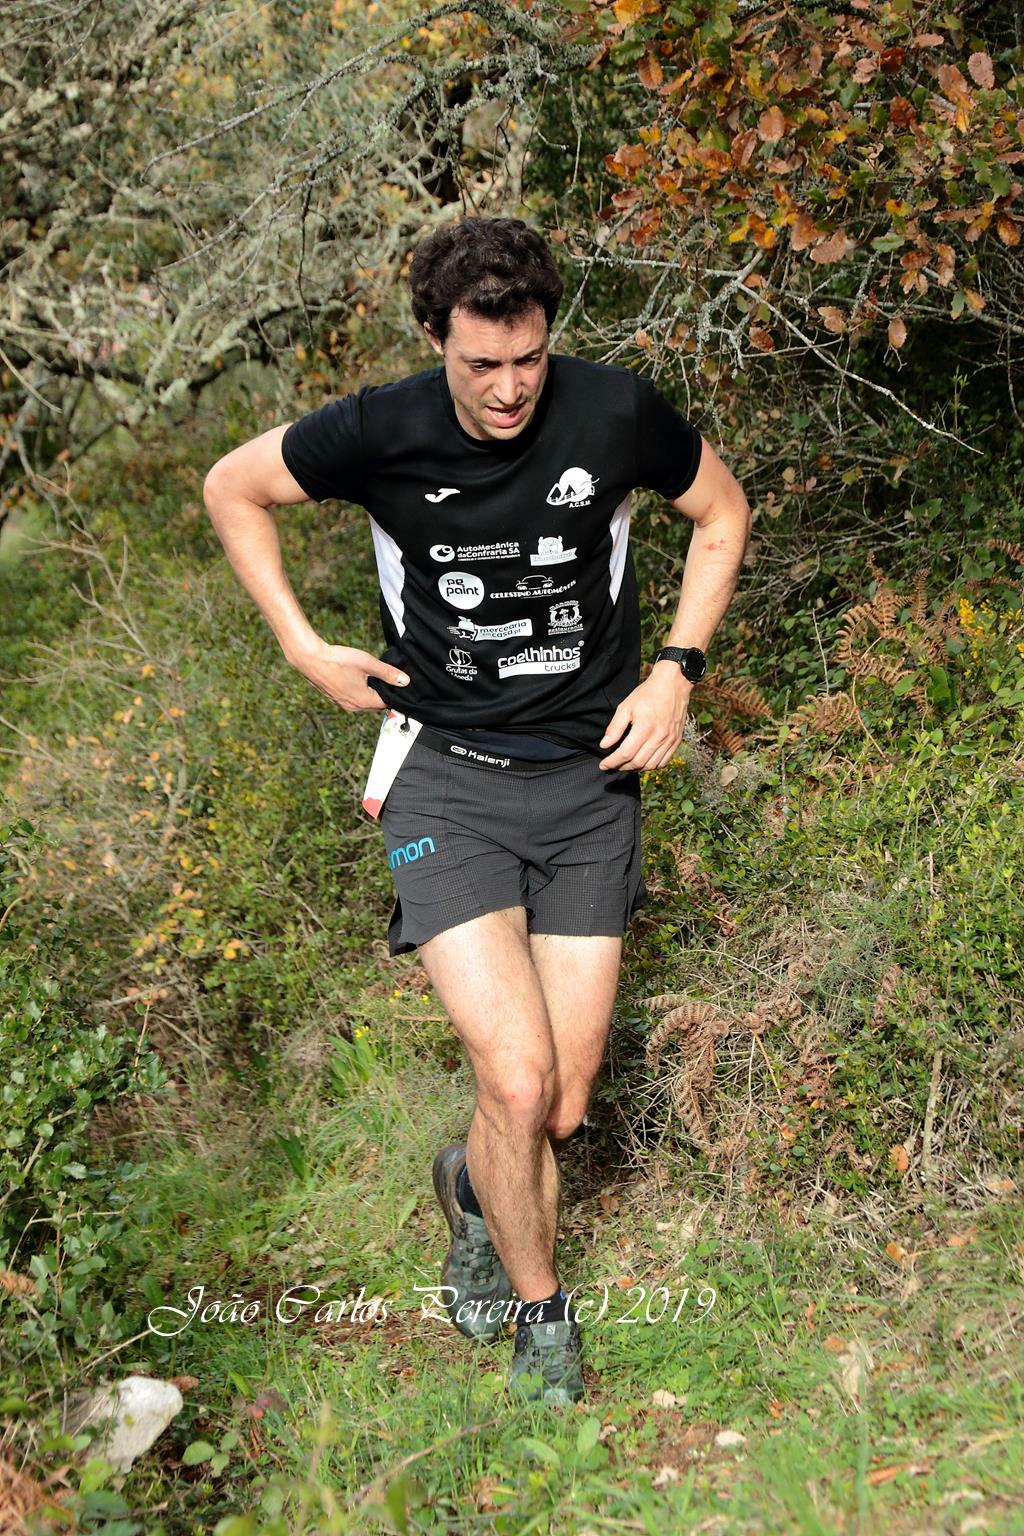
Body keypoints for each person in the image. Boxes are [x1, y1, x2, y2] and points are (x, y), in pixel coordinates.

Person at [203, 216, 750, 1406]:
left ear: (551, 338)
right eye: (480, 364)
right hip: (442, 778)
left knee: (558, 1103)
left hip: (588, 784)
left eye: (528, 360)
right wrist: (301, 643)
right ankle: (542, 1320)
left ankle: (468, 1185)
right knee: (513, 1078)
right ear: (435, 341)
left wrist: (675, 670)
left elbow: (721, 512)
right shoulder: (381, 428)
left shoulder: (614, 413)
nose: (508, 389)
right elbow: (232, 486)